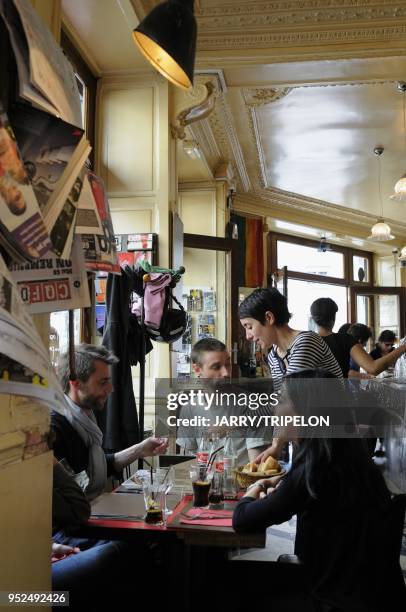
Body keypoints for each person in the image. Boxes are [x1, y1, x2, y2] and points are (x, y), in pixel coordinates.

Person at [232, 370, 406, 612]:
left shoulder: (314, 466)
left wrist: (255, 487)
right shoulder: (350, 456)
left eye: (282, 401)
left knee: (230, 582)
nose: (276, 410)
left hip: (331, 598)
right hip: (370, 594)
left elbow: (242, 519)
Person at [51, 344, 168, 500]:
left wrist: (139, 450)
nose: (111, 388)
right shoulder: (55, 428)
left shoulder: (86, 417)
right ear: (76, 383)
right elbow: (71, 492)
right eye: (103, 382)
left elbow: (95, 469)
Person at [239, 288, 342, 461]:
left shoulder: (306, 341)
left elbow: (287, 399)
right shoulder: (273, 356)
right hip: (309, 438)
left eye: (249, 326)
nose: (248, 336)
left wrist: (275, 445)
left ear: (269, 318)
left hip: (336, 437)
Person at [176, 338, 271, 464]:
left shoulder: (253, 405)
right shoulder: (189, 408)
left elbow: (256, 467)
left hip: (241, 481)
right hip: (205, 481)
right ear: (197, 369)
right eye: (216, 367)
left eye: (228, 364)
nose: (226, 373)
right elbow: (186, 461)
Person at [310, 298, 406, 378]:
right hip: (339, 397)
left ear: (313, 318)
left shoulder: (307, 341)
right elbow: (373, 368)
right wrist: (403, 347)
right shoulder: (344, 340)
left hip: (312, 399)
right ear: (334, 318)